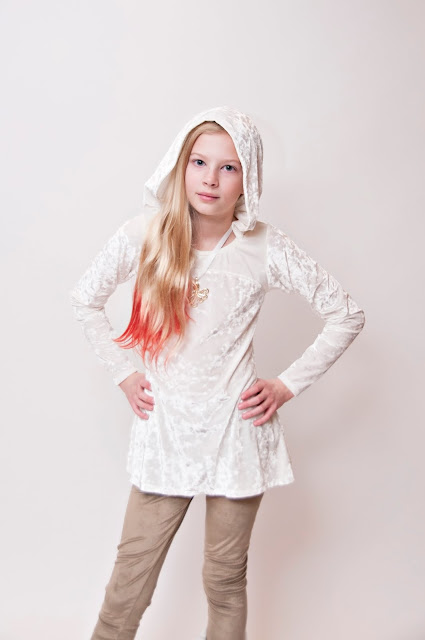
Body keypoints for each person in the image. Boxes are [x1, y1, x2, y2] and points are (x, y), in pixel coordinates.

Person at [69, 106, 365, 640]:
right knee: (127, 587)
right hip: (167, 433)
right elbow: (84, 299)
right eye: (200, 162)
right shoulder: (146, 235)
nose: (210, 179)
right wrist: (123, 373)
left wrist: (286, 385)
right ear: (179, 165)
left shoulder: (264, 246)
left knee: (225, 581)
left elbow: (346, 314)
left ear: (247, 178)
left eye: (228, 167)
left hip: (236, 436)